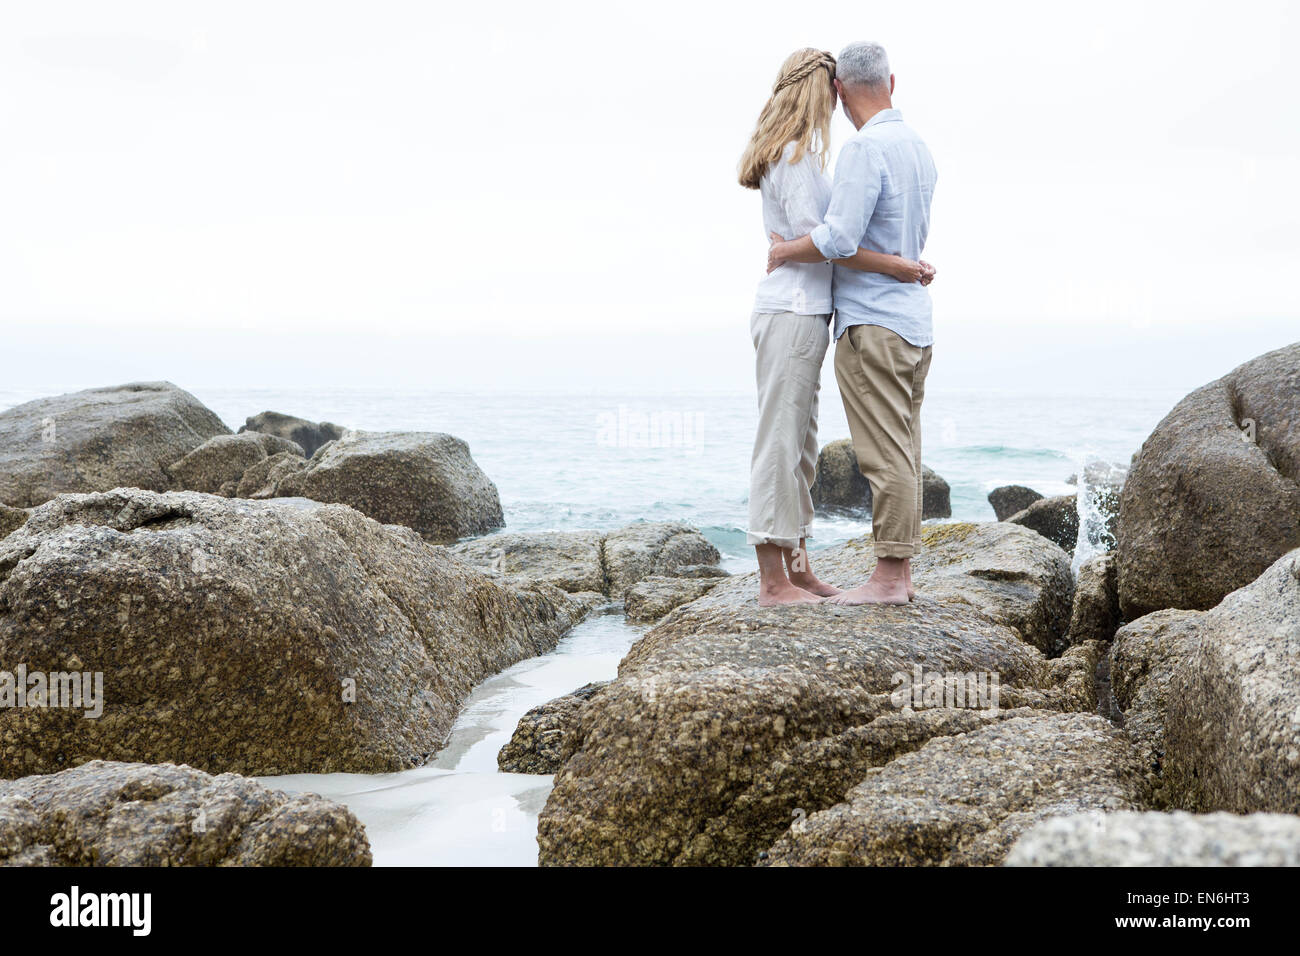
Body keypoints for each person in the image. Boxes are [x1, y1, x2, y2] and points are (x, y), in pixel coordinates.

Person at [741, 46, 933, 607]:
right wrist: (899, 264)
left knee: (800, 449)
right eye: (832, 88)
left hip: (809, 314)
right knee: (780, 444)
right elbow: (830, 245)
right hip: (793, 311)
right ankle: (774, 582)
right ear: (825, 91)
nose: (837, 99)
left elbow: (827, 241)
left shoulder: (812, 155)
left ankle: (799, 571)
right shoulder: (799, 157)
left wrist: (798, 248)